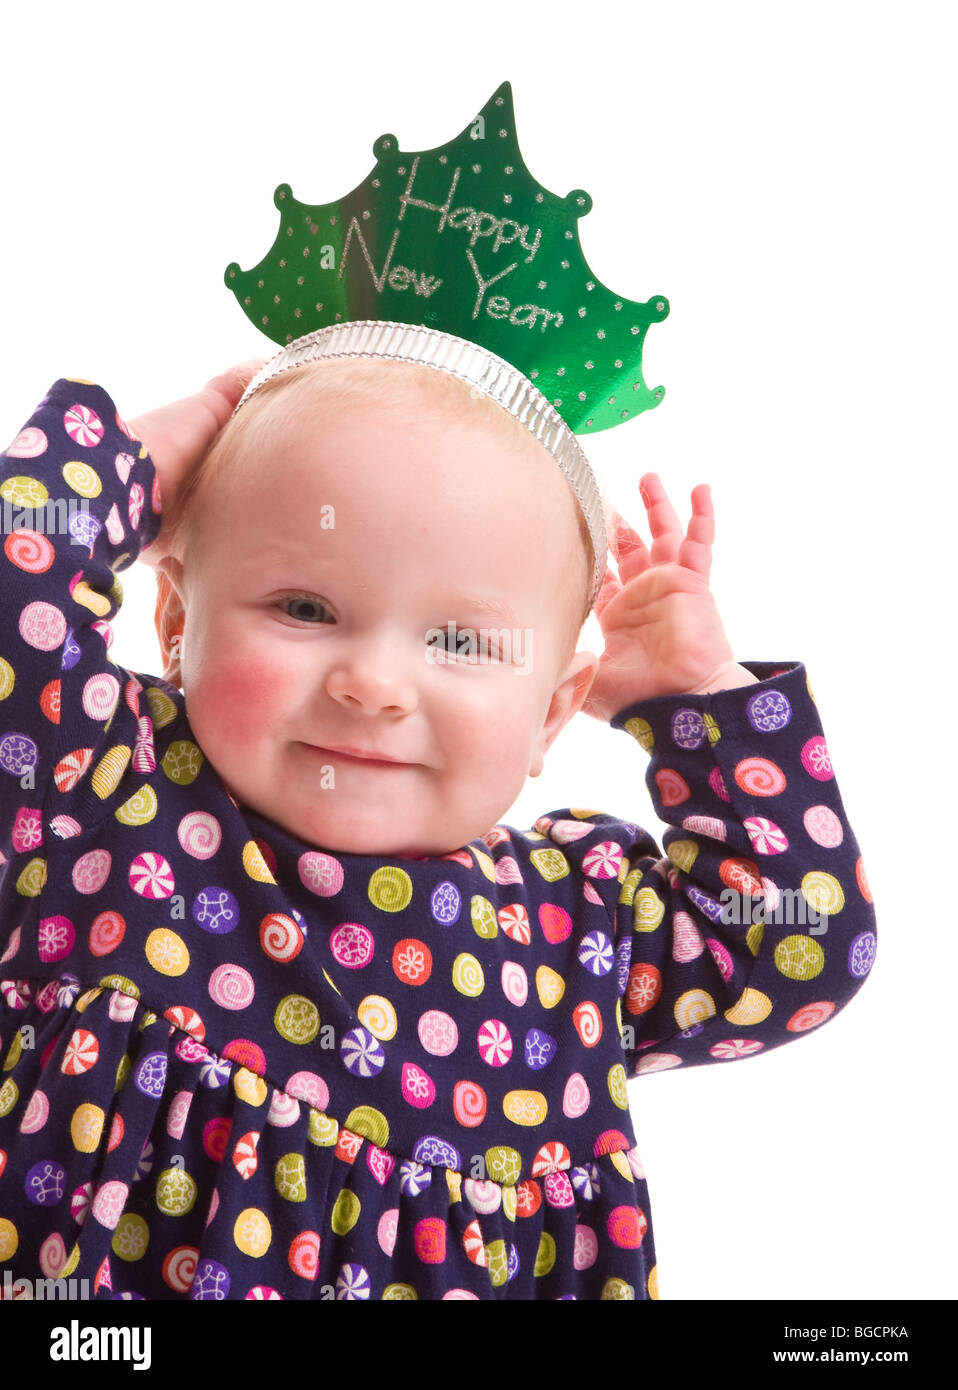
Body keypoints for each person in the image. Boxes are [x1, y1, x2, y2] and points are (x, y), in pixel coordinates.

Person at [0, 350, 876, 1300]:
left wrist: (700, 705)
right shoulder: (102, 790)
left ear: (550, 712)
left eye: (459, 642)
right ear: (175, 621)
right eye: (304, 607)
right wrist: (138, 455)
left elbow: (802, 939)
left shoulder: (577, 929)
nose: (373, 684)